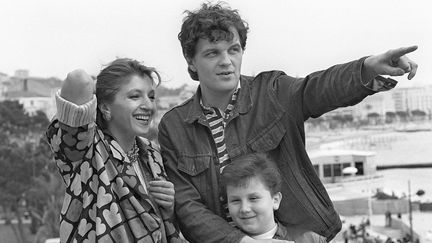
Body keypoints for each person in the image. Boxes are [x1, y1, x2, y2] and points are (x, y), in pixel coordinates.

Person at [157, 2, 418, 243]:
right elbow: (187, 205)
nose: (226, 61)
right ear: (191, 61)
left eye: (233, 50)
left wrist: (368, 67)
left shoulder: (272, 92)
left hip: (299, 237)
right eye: (212, 53)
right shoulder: (174, 126)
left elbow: (317, 89)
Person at [46, 58, 185, 242]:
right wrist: (103, 88)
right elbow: (78, 79)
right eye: (135, 96)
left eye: (151, 96)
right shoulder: (87, 149)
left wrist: (169, 204)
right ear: (105, 107)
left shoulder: (153, 153)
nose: (148, 105)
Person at [221, 153, 326, 243]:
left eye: (253, 198)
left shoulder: (309, 240)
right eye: (235, 200)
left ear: (275, 200)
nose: (244, 208)